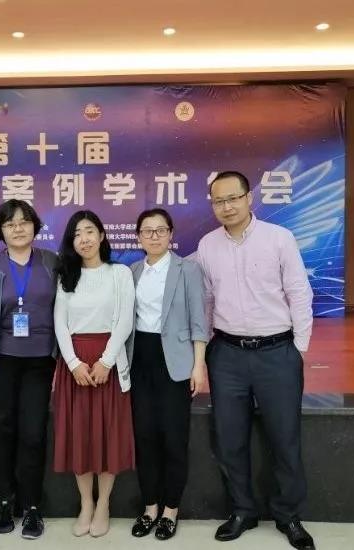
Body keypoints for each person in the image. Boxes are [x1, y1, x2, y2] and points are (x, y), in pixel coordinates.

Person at [195, 171, 315, 550]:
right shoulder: (207, 245)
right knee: (230, 439)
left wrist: (298, 347)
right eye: (219, 201)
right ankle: (242, 511)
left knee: (284, 438)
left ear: (249, 198)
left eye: (233, 198)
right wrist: (206, 348)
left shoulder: (279, 238)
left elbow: (299, 291)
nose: (227, 206)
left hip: (277, 353)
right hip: (227, 354)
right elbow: (207, 300)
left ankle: (288, 515)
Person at [0, 199, 58, 539]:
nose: (18, 228)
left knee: (34, 434)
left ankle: (32, 506)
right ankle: (5, 501)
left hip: (40, 362)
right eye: (10, 224)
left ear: (35, 226)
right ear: (0, 230)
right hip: (0, 361)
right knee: (2, 431)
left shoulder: (52, 262)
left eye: (24, 222)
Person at [52, 210, 135, 538]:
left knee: (108, 434)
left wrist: (106, 361)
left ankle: (104, 505)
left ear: (101, 235)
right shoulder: (66, 276)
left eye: (89, 231)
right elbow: (60, 322)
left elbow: (125, 320)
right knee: (80, 436)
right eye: (76, 234)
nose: (83, 239)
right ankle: (86, 503)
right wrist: (73, 363)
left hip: (107, 362)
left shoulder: (120, 273)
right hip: (75, 365)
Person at [127, 208, 207, 541]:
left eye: (161, 230)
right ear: (138, 237)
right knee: (144, 437)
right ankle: (150, 508)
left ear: (171, 234)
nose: (154, 236)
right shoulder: (132, 271)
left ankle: (170, 510)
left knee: (174, 438)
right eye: (147, 231)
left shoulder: (188, 269)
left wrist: (198, 364)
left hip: (175, 360)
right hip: (139, 360)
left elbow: (199, 319)